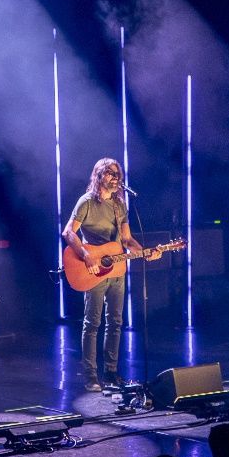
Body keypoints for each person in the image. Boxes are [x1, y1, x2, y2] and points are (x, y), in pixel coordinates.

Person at [62, 158, 160, 392]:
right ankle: (90, 376)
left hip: (116, 271)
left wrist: (145, 252)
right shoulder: (86, 202)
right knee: (92, 323)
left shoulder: (119, 205)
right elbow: (68, 232)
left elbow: (126, 240)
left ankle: (111, 372)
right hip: (92, 270)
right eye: (110, 174)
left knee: (116, 322)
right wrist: (86, 255)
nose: (116, 178)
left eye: (118, 174)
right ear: (99, 177)